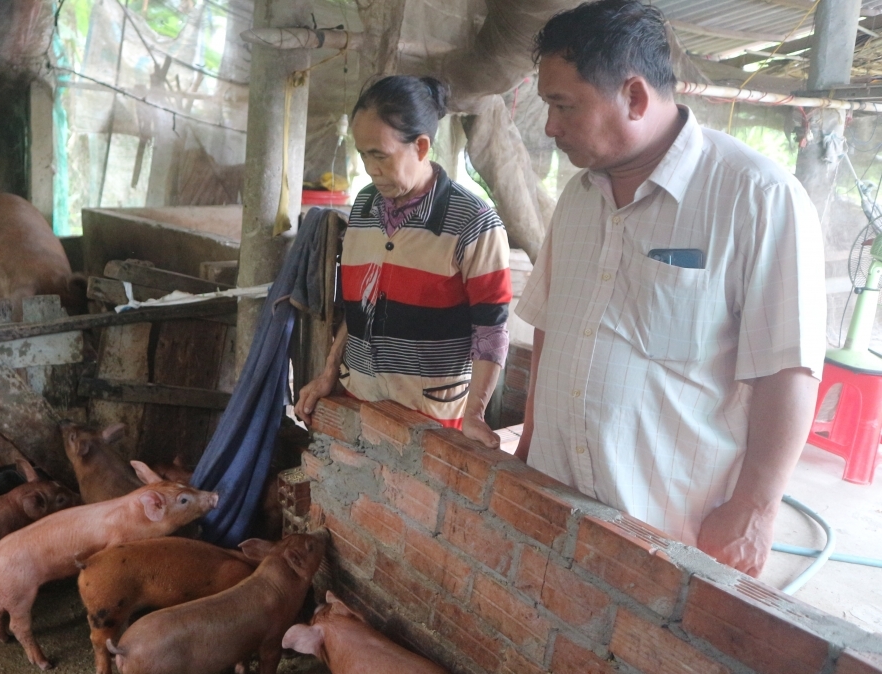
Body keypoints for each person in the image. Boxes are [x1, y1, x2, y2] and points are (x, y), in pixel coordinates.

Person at [514, 0, 826, 577]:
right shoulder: (578, 200)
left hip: (671, 528)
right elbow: (550, 329)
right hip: (558, 507)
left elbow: (789, 368)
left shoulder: (755, 197)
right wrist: (530, 446)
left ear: (633, 97)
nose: (551, 127)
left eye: (562, 105)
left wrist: (755, 511)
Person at [296, 76, 513, 446]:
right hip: (359, 403)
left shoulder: (474, 223)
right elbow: (359, 308)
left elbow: (490, 331)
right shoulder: (364, 208)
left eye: (379, 154)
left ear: (421, 146)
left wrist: (474, 414)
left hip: (429, 421)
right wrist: (329, 372)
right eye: (363, 154)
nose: (369, 168)